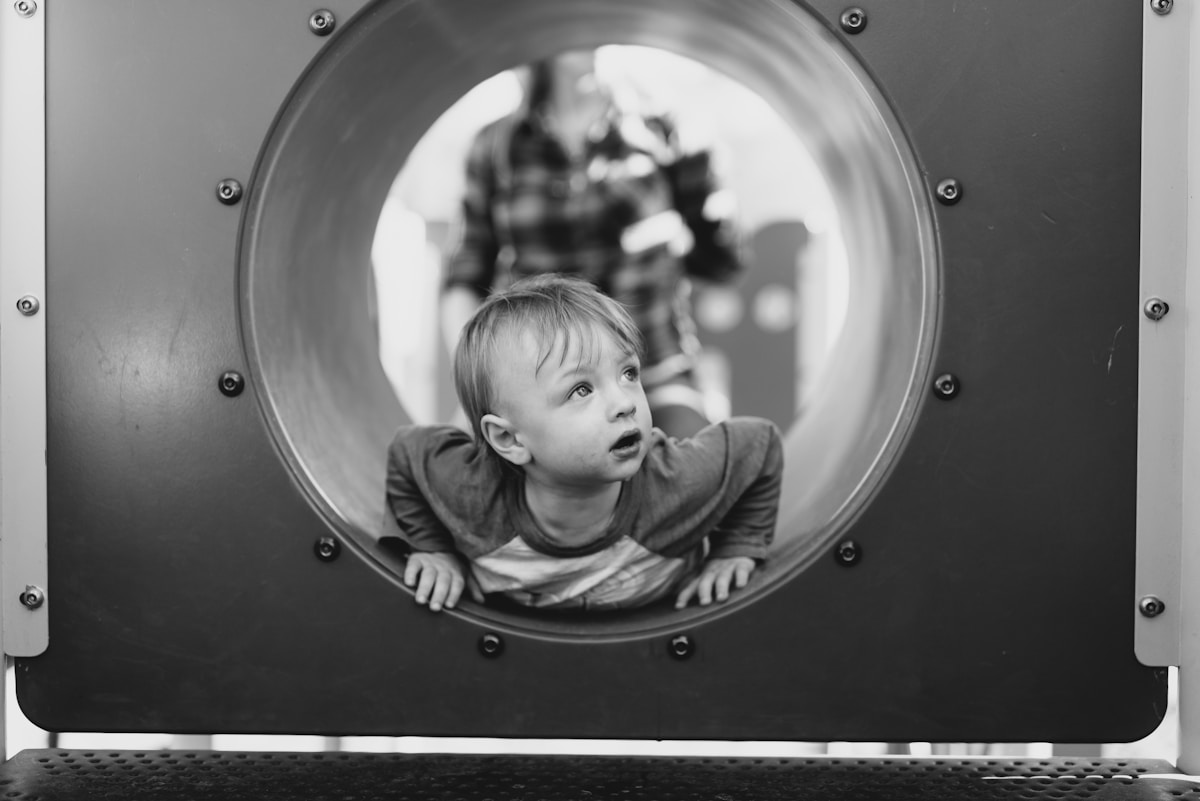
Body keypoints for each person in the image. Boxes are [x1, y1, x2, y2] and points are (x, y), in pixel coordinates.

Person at [384, 274, 783, 612]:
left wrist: (736, 546)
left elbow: (759, 443)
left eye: (628, 373)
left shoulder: (675, 484)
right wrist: (432, 547)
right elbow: (407, 451)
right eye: (580, 390)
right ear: (509, 438)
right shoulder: (472, 494)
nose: (625, 403)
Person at [441, 49, 744, 439]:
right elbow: (466, 274)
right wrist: (483, 383)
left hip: (650, 373)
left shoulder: (664, 126)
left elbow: (721, 257)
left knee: (692, 469)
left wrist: (694, 220)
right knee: (458, 473)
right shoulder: (498, 145)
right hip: (538, 380)